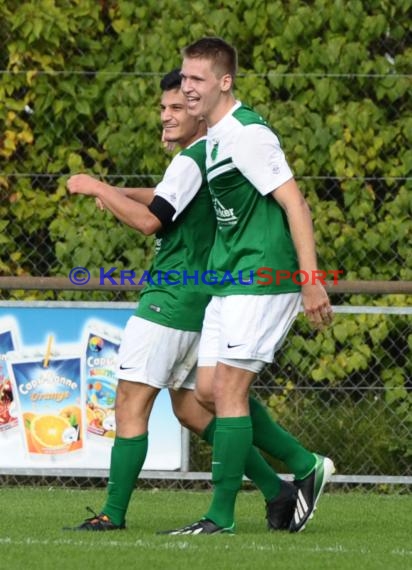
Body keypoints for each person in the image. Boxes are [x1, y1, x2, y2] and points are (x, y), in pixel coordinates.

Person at [64, 69, 299, 532]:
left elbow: (152, 222)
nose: (168, 117)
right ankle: (279, 488)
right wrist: (120, 192)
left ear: (200, 112)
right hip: (203, 299)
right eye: (165, 109)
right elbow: (168, 202)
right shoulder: (206, 159)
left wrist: (97, 187)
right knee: (194, 407)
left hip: (170, 299)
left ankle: (113, 513)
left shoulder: (193, 159)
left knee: (131, 399)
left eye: (179, 108)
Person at [159, 38, 335, 536]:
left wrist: (311, 281)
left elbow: (296, 205)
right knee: (209, 391)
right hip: (229, 277)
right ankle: (305, 466)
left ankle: (219, 517)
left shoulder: (247, 134)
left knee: (230, 390)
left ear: (224, 81)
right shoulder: (214, 137)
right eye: (184, 77)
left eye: (196, 79)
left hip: (262, 277)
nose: (187, 87)